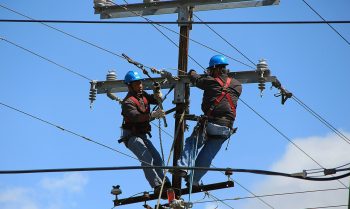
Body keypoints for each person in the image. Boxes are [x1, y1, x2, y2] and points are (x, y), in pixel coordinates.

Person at [176, 55, 242, 187]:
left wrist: (192, 72)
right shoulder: (237, 85)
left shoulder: (210, 81)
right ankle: (193, 180)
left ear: (216, 69)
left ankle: (183, 167)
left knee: (193, 142)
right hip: (226, 127)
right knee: (208, 154)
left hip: (211, 123)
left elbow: (196, 80)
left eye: (211, 70)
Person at [120, 70, 171, 197]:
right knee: (147, 158)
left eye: (140, 83)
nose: (140, 85)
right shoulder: (128, 102)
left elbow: (156, 100)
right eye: (137, 84)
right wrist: (152, 115)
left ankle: (166, 183)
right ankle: (157, 185)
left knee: (157, 158)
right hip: (131, 136)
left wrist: (157, 92)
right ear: (130, 85)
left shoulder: (143, 96)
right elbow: (135, 117)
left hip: (142, 135)